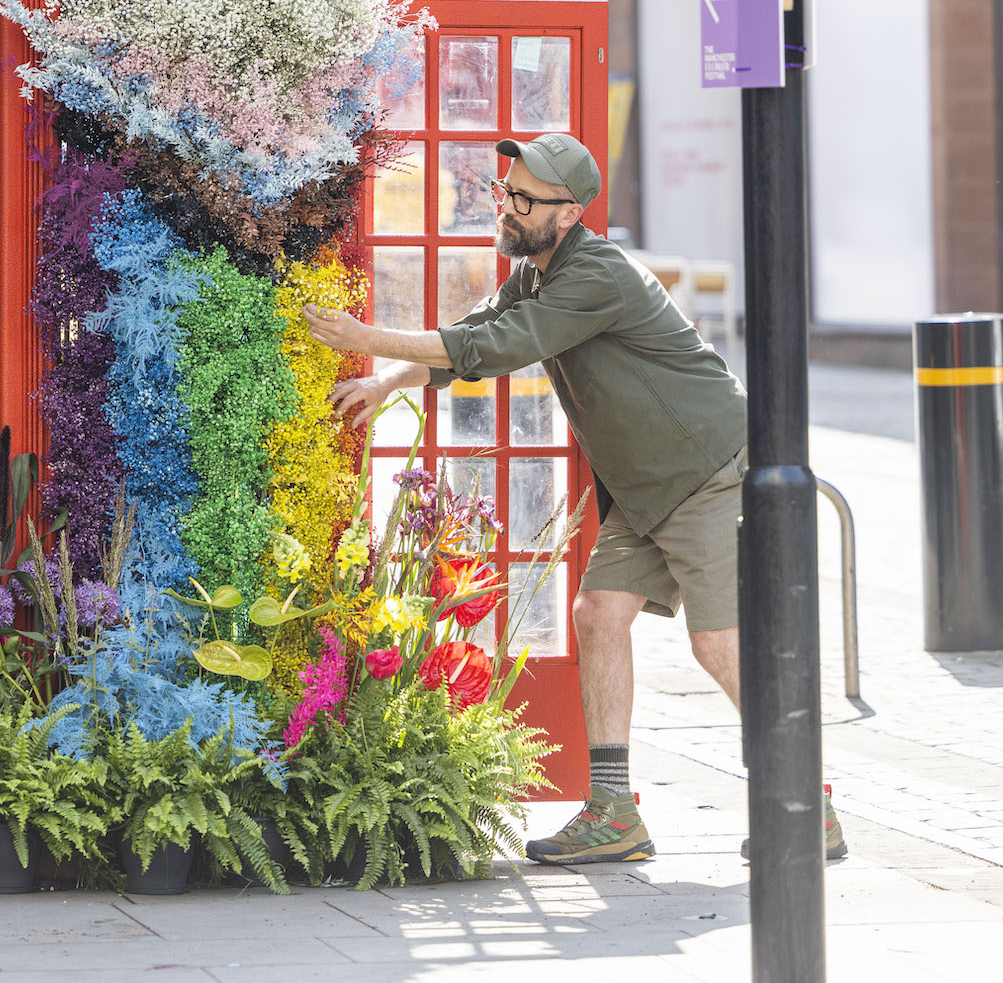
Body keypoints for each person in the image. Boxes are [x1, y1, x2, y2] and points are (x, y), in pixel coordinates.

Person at [304, 131, 844, 865]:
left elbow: (501, 348)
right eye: (506, 190)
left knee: (719, 643)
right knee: (597, 615)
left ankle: (805, 805)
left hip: (706, 469)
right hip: (647, 487)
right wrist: (383, 379)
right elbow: (475, 332)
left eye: (522, 198)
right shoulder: (537, 273)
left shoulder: (597, 276)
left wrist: (366, 336)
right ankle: (615, 812)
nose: (505, 206)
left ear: (568, 213)